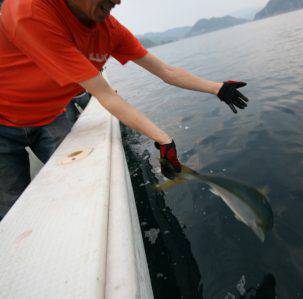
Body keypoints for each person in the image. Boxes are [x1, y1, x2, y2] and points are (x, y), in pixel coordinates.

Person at [0, 0, 249, 220]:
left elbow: (167, 71)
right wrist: (164, 139)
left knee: (80, 192)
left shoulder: (109, 29)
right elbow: (105, 94)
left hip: (51, 117)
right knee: (13, 215)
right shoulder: (31, 10)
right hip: (3, 123)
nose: (117, 1)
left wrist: (217, 88)